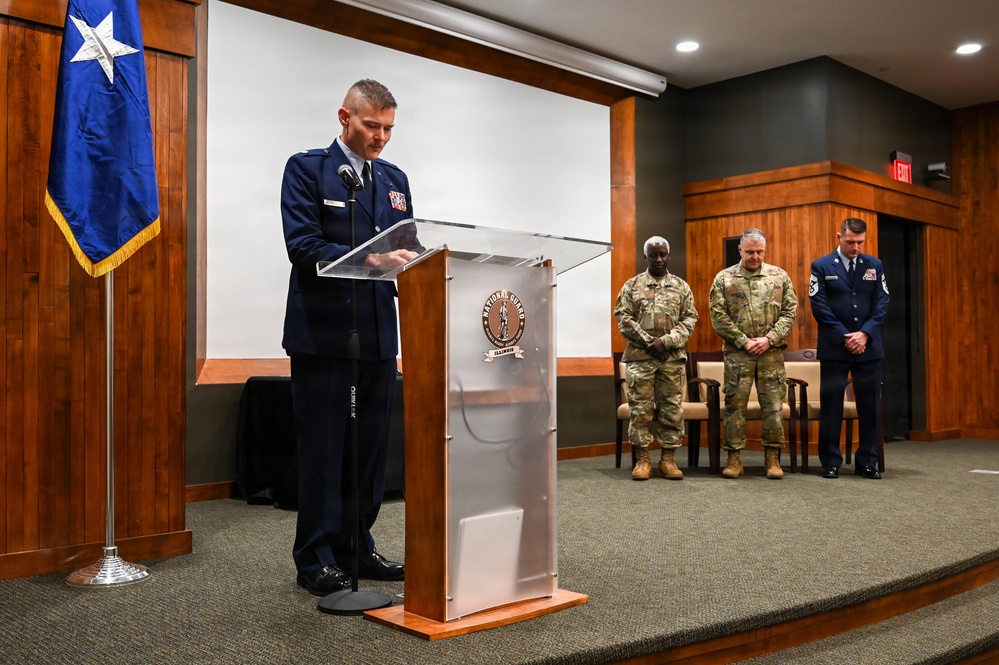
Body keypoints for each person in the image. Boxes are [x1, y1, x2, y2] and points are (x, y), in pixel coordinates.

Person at [280, 79, 418, 596]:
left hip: (380, 334)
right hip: (323, 333)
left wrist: (423, 269)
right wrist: (375, 259)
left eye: (388, 128)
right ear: (344, 117)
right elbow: (304, 246)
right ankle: (314, 555)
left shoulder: (394, 178)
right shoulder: (306, 169)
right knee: (324, 447)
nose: (381, 137)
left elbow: (406, 246)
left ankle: (356, 545)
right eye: (371, 126)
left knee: (370, 451)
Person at [708, 228, 797, 479]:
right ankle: (734, 458)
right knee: (735, 406)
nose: (755, 256)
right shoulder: (724, 279)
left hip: (771, 354)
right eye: (750, 252)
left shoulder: (779, 276)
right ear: (740, 250)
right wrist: (744, 341)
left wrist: (769, 339)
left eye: (759, 252)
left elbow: (790, 313)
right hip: (738, 354)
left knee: (773, 406)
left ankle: (772, 458)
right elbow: (718, 317)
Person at [808, 217, 890, 479]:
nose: (855, 247)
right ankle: (831, 461)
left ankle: (867, 462)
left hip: (868, 348)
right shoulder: (821, 266)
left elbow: (882, 302)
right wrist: (846, 337)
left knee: (870, 407)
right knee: (832, 405)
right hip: (836, 347)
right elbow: (819, 305)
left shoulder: (874, 265)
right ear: (838, 237)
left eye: (860, 242)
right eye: (850, 241)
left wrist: (864, 334)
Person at [614, 236, 698, 481]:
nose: (659, 259)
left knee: (671, 409)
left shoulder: (681, 287)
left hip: (671, 360)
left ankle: (668, 460)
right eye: (653, 255)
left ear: (669, 256)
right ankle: (642, 459)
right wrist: (648, 341)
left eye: (662, 255)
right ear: (646, 257)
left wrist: (666, 341)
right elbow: (623, 318)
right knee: (641, 409)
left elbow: (690, 320)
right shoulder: (631, 286)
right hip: (641, 359)